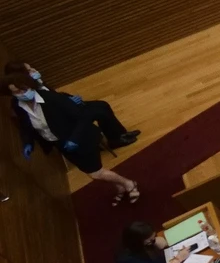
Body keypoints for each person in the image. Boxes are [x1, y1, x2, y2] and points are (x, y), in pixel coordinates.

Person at [6, 63, 141, 203]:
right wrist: (28, 142)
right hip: (63, 144)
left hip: (82, 138)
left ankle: (128, 183)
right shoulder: (17, 105)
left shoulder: (50, 98)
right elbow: (25, 126)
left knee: (95, 173)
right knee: (91, 171)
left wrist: (74, 139)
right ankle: (120, 187)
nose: (21, 94)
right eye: (16, 92)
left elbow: (83, 117)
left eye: (23, 90)